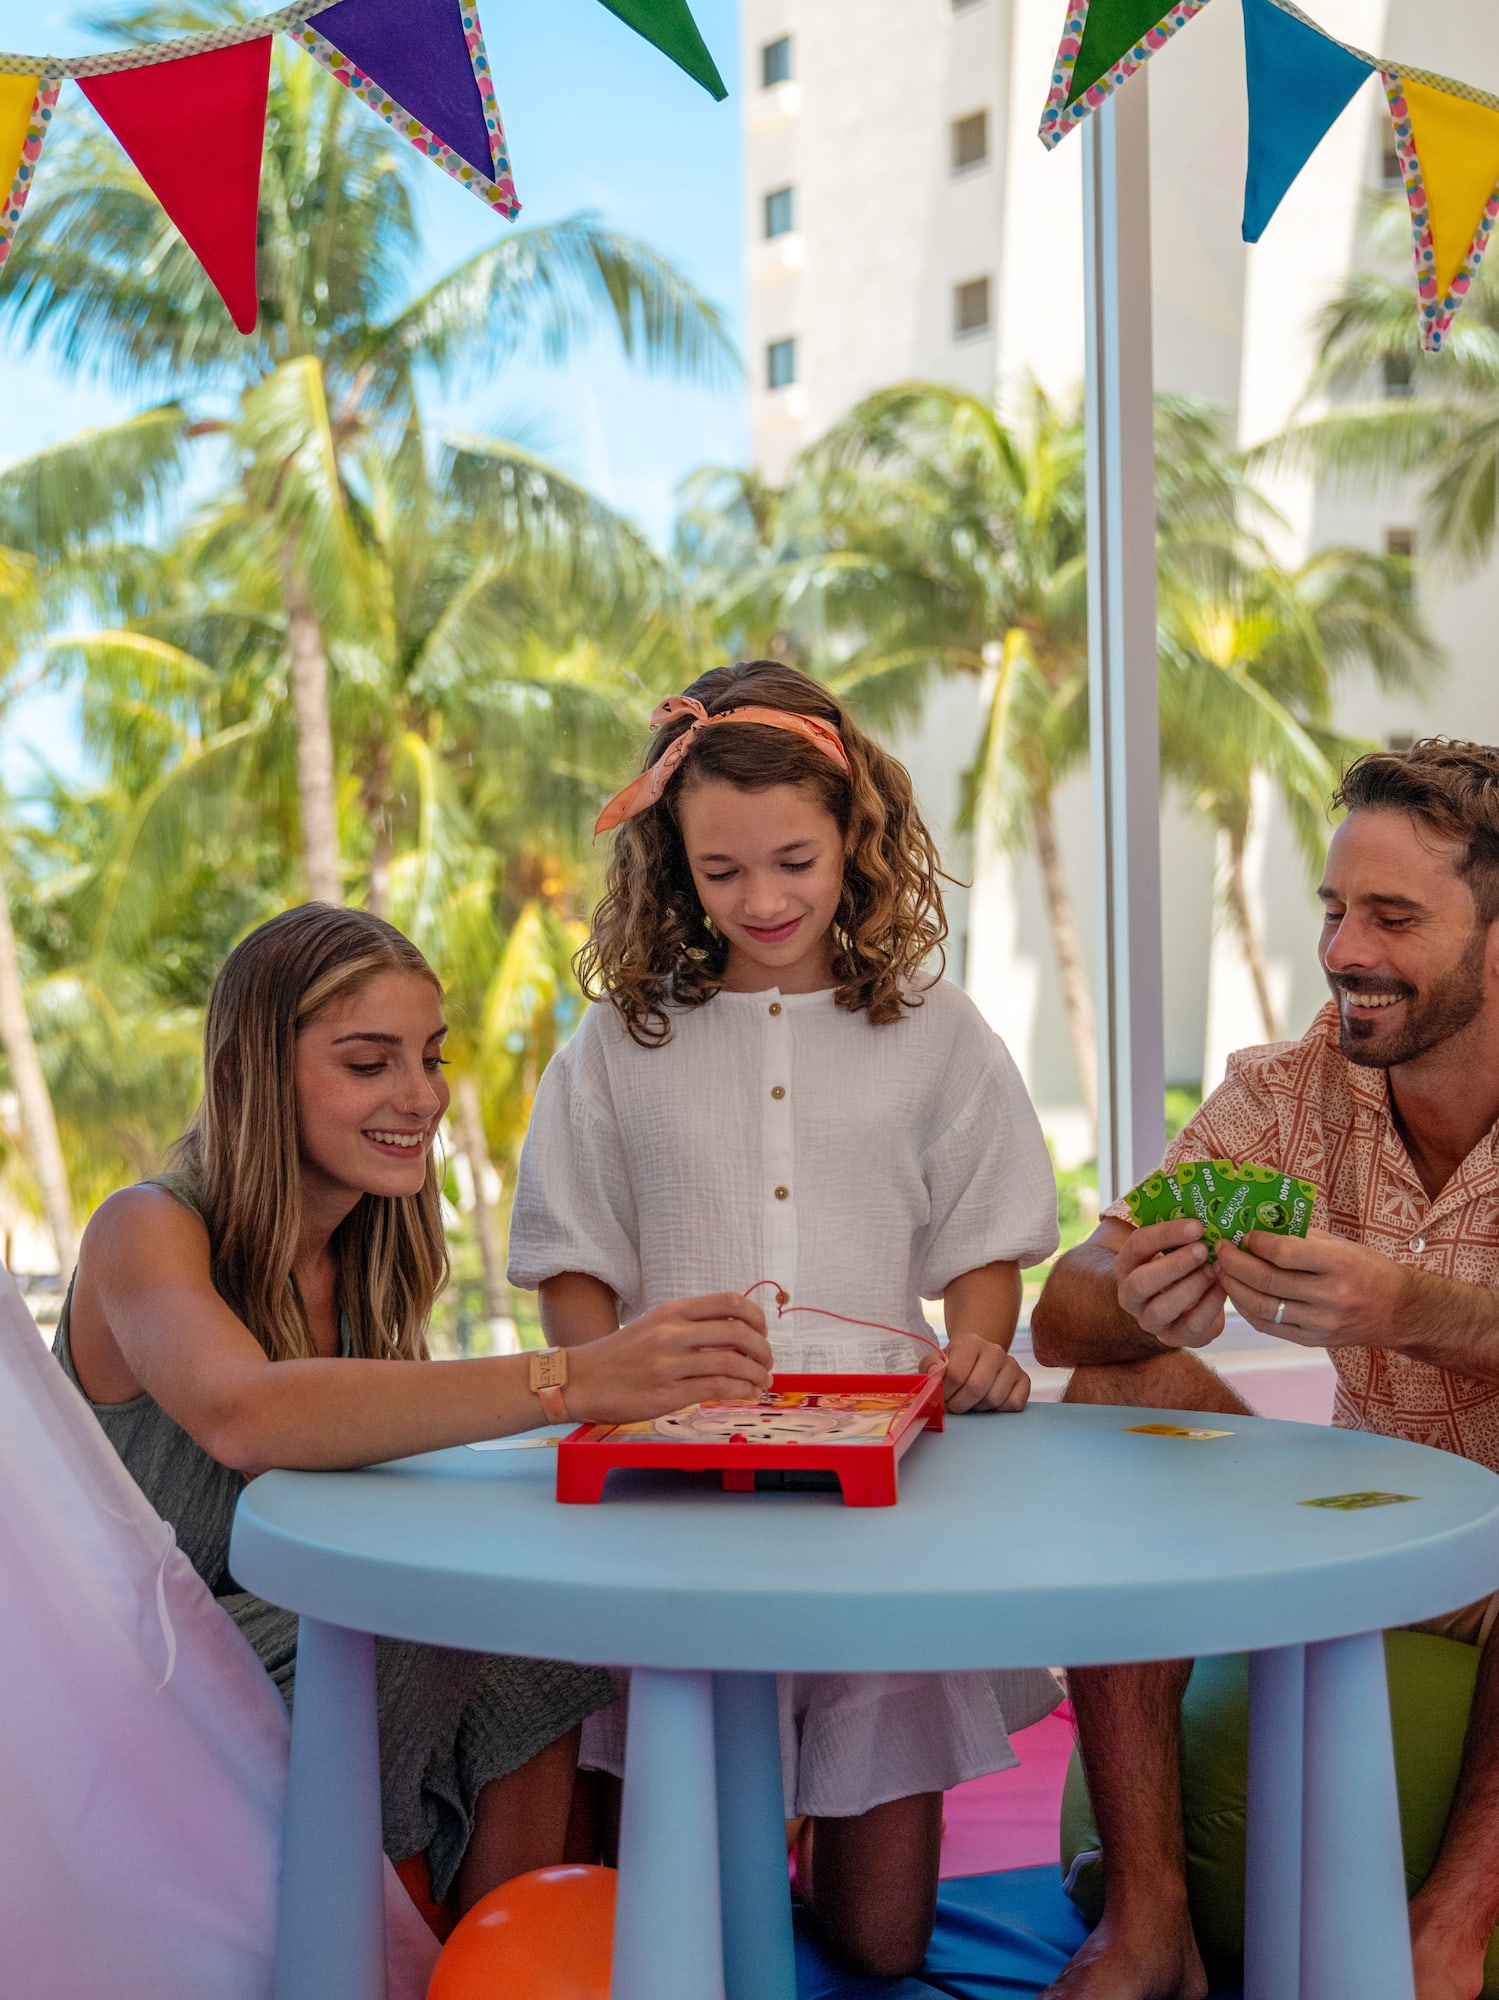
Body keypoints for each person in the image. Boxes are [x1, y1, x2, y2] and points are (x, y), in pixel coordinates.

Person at [508, 658, 1062, 1977]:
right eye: (720, 872)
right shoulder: (617, 1040)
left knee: (879, 1948)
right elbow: (570, 1251)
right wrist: (602, 1377)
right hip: (677, 1496)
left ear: (855, 836)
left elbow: (985, 1237)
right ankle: (749, 1822)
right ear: (670, 863)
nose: (760, 901)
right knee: (687, 1914)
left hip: (881, 1506)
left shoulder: (933, 1031)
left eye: (793, 862)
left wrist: (981, 1341)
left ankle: (828, 1824)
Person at [56, 903, 773, 1922]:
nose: (420, 1095)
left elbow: (380, 1477)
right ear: (253, 1071)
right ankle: (391, 1959)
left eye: (428, 1057)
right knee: (392, 1628)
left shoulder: (373, 1247)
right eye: (368, 1062)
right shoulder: (144, 1227)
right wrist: (572, 1376)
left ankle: (500, 1965)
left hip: (288, 1623)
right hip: (148, 1676)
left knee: (533, 1621)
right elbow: (246, 1414)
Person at [1030, 738, 1499, 2000]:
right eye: (1335, 910)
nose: (1345, 949)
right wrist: (1129, 1295)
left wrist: (1418, 1309)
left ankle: (1445, 1936)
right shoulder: (1292, 1089)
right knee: (1117, 1395)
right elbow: (1062, 1314)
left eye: (1392, 916)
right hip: (1346, 1525)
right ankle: (1148, 1921)